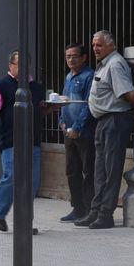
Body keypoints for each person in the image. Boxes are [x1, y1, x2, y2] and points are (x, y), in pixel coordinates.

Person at [76, 30, 134, 230]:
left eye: (99, 45)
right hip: (103, 121)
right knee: (100, 170)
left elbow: (131, 95)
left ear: (111, 45)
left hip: (115, 121)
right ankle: (95, 211)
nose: (95, 48)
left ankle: (105, 214)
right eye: (94, 45)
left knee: (111, 169)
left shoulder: (115, 65)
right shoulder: (104, 64)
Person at [0, 50, 44, 233]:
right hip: (11, 140)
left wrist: (51, 108)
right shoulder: (1, 86)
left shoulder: (37, 87)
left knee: (32, 183)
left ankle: (24, 222)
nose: (23, 68)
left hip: (32, 141)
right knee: (12, 176)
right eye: (19, 64)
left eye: (26, 64)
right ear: (11, 65)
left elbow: (41, 111)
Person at [55, 43, 96, 222]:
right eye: (68, 56)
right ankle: (77, 207)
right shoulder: (69, 77)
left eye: (74, 56)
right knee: (72, 171)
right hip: (68, 131)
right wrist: (62, 122)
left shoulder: (89, 76)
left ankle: (89, 208)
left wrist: (77, 128)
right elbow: (66, 100)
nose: (70, 59)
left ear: (84, 57)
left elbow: (88, 104)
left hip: (84, 132)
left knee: (89, 171)